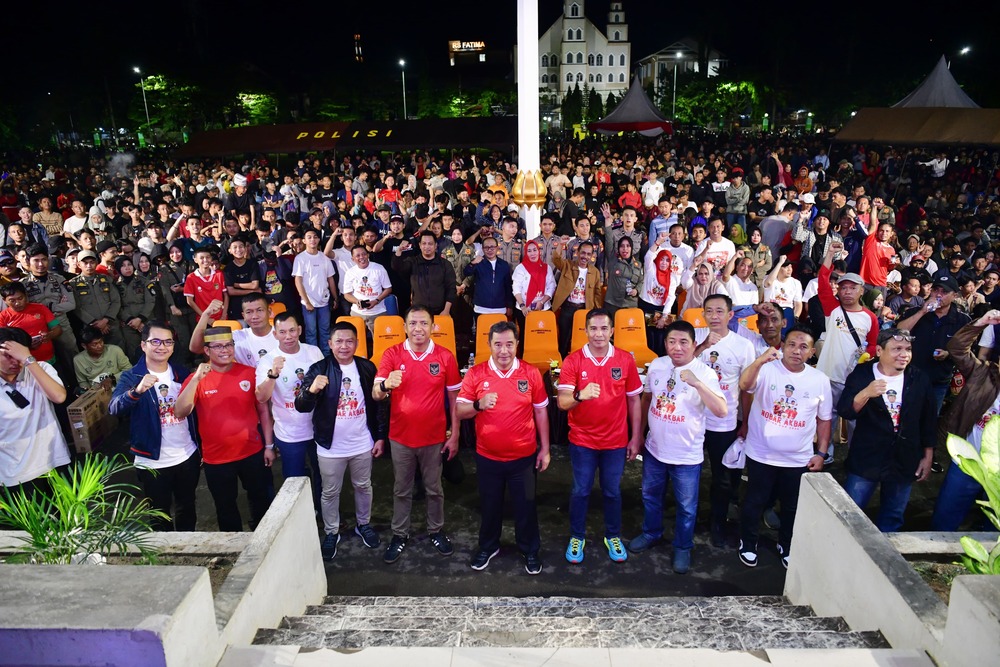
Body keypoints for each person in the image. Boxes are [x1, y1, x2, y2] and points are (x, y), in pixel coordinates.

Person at [628, 320, 726, 574]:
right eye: (672, 341)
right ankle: (651, 533)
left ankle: (683, 546)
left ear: (694, 345)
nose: (677, 347)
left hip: (687, 455)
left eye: (684, 342)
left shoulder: (705, 373)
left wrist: (697, 384)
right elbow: (647, 398)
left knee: (686, 506)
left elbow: (721, 410)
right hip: (655, 450)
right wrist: (638, 436)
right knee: (650, 496)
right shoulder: (658, 366)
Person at [457, 321, 550, 574]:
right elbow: (459, 410)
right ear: (489, 345)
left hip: (524, 457)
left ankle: (530, 550)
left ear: (517, 345)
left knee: (526, 507)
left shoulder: (530, 373)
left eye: (509, 344)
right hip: (488, 457)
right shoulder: (476, 374)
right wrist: (478, 404)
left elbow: (541, 412)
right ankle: (488, 546)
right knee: (489, 506)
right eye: (497, 344)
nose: (504, 350)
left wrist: (545, 448)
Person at [737, 325, 832, 569]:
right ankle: (748, 542)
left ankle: (786, 545)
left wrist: (821, 453)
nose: (796, 351)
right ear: (783, 346)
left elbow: (824, 420)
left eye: (803, 347)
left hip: (798, 459)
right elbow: (745, 384)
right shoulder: (767, 370)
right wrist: (759, 361)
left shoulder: (819, 380)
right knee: (754, 501)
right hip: (761, 453)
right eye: (791, 344)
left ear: (812, 352)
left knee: (791, 506)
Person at [373, 305, 461, 564]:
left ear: (433, 327)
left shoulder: (445, 357)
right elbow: (376, 393)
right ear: (405, 327)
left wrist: (454, 435)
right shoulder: (392, 354)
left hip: (434, 438)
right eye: (413, 323)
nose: (418, 329)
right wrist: (385, 385)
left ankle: (435, 530)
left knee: (435, 489)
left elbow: (455, 398)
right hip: (400, 437)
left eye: (424, 323)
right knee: (402, 489)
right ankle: (400, 534)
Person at [295, 321, 388, 560]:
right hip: (330, 446)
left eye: (349, 341)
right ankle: (331, 531)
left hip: (362, 443)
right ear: (329, 343)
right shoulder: (319, 369)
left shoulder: (367, 367)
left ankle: (363, 524)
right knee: (330, 492)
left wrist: (379, 437)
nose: (344, 346)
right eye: (339, 341)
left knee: (363, 486)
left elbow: (378, 406)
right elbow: (301, 406)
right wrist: (311, 390)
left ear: (357, 343)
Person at [557, 307, 643, 564]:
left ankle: (612, 535)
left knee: (612, 492)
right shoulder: (573, 361)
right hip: (583, 441)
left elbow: (634, 402)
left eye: (604, 328)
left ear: (612, 331)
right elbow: (562, 402)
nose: (598, 334)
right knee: (581, 490)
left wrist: (636, 437)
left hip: (615, 441)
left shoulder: (625, 359)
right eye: (593, 328)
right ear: (585, 331)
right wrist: (579, 396)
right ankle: (577, 535)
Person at [174, 326, 275, 531]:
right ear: (207, 351)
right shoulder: (198, 378)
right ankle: (234, 546)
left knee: (261, 500)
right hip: (216, 459)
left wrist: (269, 445)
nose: (225, 350)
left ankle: (265, 538)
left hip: (252, 452)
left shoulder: (248, 373)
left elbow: (264, 411)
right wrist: (195, 379)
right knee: (225, 507)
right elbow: (180, 412)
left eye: (229, 345)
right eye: (218, 346)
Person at [837, 329, 936, 531]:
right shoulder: (863, 374)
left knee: (893, 515)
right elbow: (846, 410)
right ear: (880, 351)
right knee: (850, 513)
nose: (904, 354)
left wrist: (928, 456)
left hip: (904, 459)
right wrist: (866, 393)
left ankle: (885, 556)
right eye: (897, 349)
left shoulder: (919, 378)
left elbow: (928, 420)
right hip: (867, 458)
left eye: (908, 349)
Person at [109, 321, 201, 531]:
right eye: (155, 341)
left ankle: (188, 548)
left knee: (186, 507)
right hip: (152, 461)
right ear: (143, 345)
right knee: (159, 514)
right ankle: (167, 555)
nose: (162, 346)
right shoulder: (132, 376)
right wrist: (137, 391)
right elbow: (114, 408)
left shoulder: (181, 372)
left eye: (168, 342)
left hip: (186, 455)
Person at [691, 294, 757, 546]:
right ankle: (690, 517)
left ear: (730, 315)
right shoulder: (695, 337)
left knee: (722, 476)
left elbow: (747, 389)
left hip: (724, 422)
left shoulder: (743, 346)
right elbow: (680, 366)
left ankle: (718, 521)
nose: (714, 316)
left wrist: (746, 422)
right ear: (703, 314)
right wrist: (703, 346)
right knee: (689, 471)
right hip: (693, 419)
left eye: (720, 311)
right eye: (709, 311)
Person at [931, 310, 1000, 530]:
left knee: (992, 529)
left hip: (997, 474)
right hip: (967, 461)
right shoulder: (984, 374)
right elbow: (957, 348)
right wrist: (980, 323)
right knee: (944, 520)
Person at [255, 312, 324, 500]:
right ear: (275, 334)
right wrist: (273, 374)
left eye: (292, 330)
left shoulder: (313, 351)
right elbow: (261, 397)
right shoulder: (268, 360)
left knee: (323, 478)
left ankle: (322, 514)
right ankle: (298, 519)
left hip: (317, 429)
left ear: (300, 330)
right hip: (289, 434)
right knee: (294, 482)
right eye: (282, 332)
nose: (288, 336)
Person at [0, 327, 70, 500]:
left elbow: (59, 397)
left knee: (71, 524)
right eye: (8, 355)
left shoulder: (41, 369)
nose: (15, 362)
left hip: (55, 461)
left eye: (19, 356)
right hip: (15, 474)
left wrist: (29, 361)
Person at [190, 295, 280, 369]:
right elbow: (196, 348)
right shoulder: (237, 337)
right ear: (243, 316)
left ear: (269, 312)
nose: (254, 316)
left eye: (259, 310)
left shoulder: (284, 335)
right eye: (249, 312)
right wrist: (206, 315)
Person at [552, 240, 604, 358]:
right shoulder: (568, 265)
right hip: (567, 309)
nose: (585, 256)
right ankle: (562, 365)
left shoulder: (595, 272)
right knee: (564, 339)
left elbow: (597, 294)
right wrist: (561, 244)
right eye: (583, 253)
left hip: (584, 311)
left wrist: (597, 312)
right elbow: (555, 259)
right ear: (577, 253)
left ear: (592, 256)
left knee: (582, 340)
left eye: (588, 254)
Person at [293, 228, 338, 355]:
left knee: (325, 331)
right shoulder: (300, 258)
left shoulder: (324, 258)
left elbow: (331, 280)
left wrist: (335, 298)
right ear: (304, 240)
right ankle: (313, 358)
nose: (312, 239)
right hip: (308, 302)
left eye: (315, 237)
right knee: (311, 332)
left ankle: (326, 357)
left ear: (318, 239)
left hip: (324, 301)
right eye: (309, 237)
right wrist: (306, 301)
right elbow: (298, 281)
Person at [0, 282, 61, 364]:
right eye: (12, 300)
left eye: (20, 298)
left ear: (25, 296)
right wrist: (26, 345)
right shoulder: (3, 317)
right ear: (5, 300)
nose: (17, 303)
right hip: (22, 363)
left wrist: (49, 335)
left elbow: (57, 329)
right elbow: (3, 342)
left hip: (48, 359)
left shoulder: (41, 308)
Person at [73, 325, 131, 391]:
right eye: (95, 344)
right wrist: (86, 390)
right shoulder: (78, 360)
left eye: (101, 341)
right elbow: (82, 382)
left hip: (120, 389)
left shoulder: (115, 350)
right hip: (97, 394)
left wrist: (112, 379)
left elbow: (129, 370)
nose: (100, 346)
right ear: (84, 346)